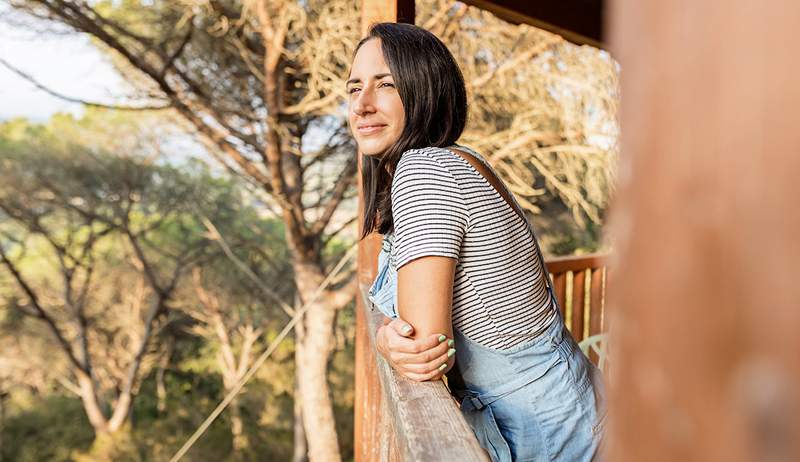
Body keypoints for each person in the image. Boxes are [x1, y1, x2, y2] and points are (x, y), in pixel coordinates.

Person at [346, 22, 606, 462]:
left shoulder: (425, 171)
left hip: (548, 429)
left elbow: (427, 348)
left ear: (425, 90)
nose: (363, 105)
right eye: (354, 89)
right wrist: (389, 337)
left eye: (385, 84)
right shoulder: (460, 159)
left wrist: (391, 338)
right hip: (573, 401)